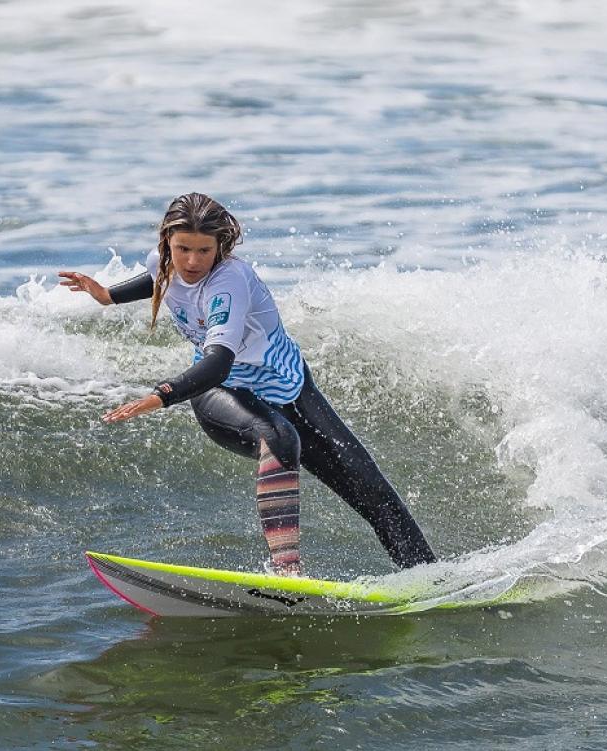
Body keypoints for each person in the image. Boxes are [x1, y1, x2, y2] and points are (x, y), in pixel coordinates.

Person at [59, 192, 436, 576]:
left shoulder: (229, 282)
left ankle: (427, 577)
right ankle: (286, 571)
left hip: (285, 385)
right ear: (167, 243)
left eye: (204, 251)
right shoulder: (165, 262)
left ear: (220, 247)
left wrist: (161, 395)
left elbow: (220, 360)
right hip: (221, 391)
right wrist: (106, 295)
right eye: (182, 248)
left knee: (371, 487)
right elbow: (161, 278)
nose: (191, 261)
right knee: (278, 438)